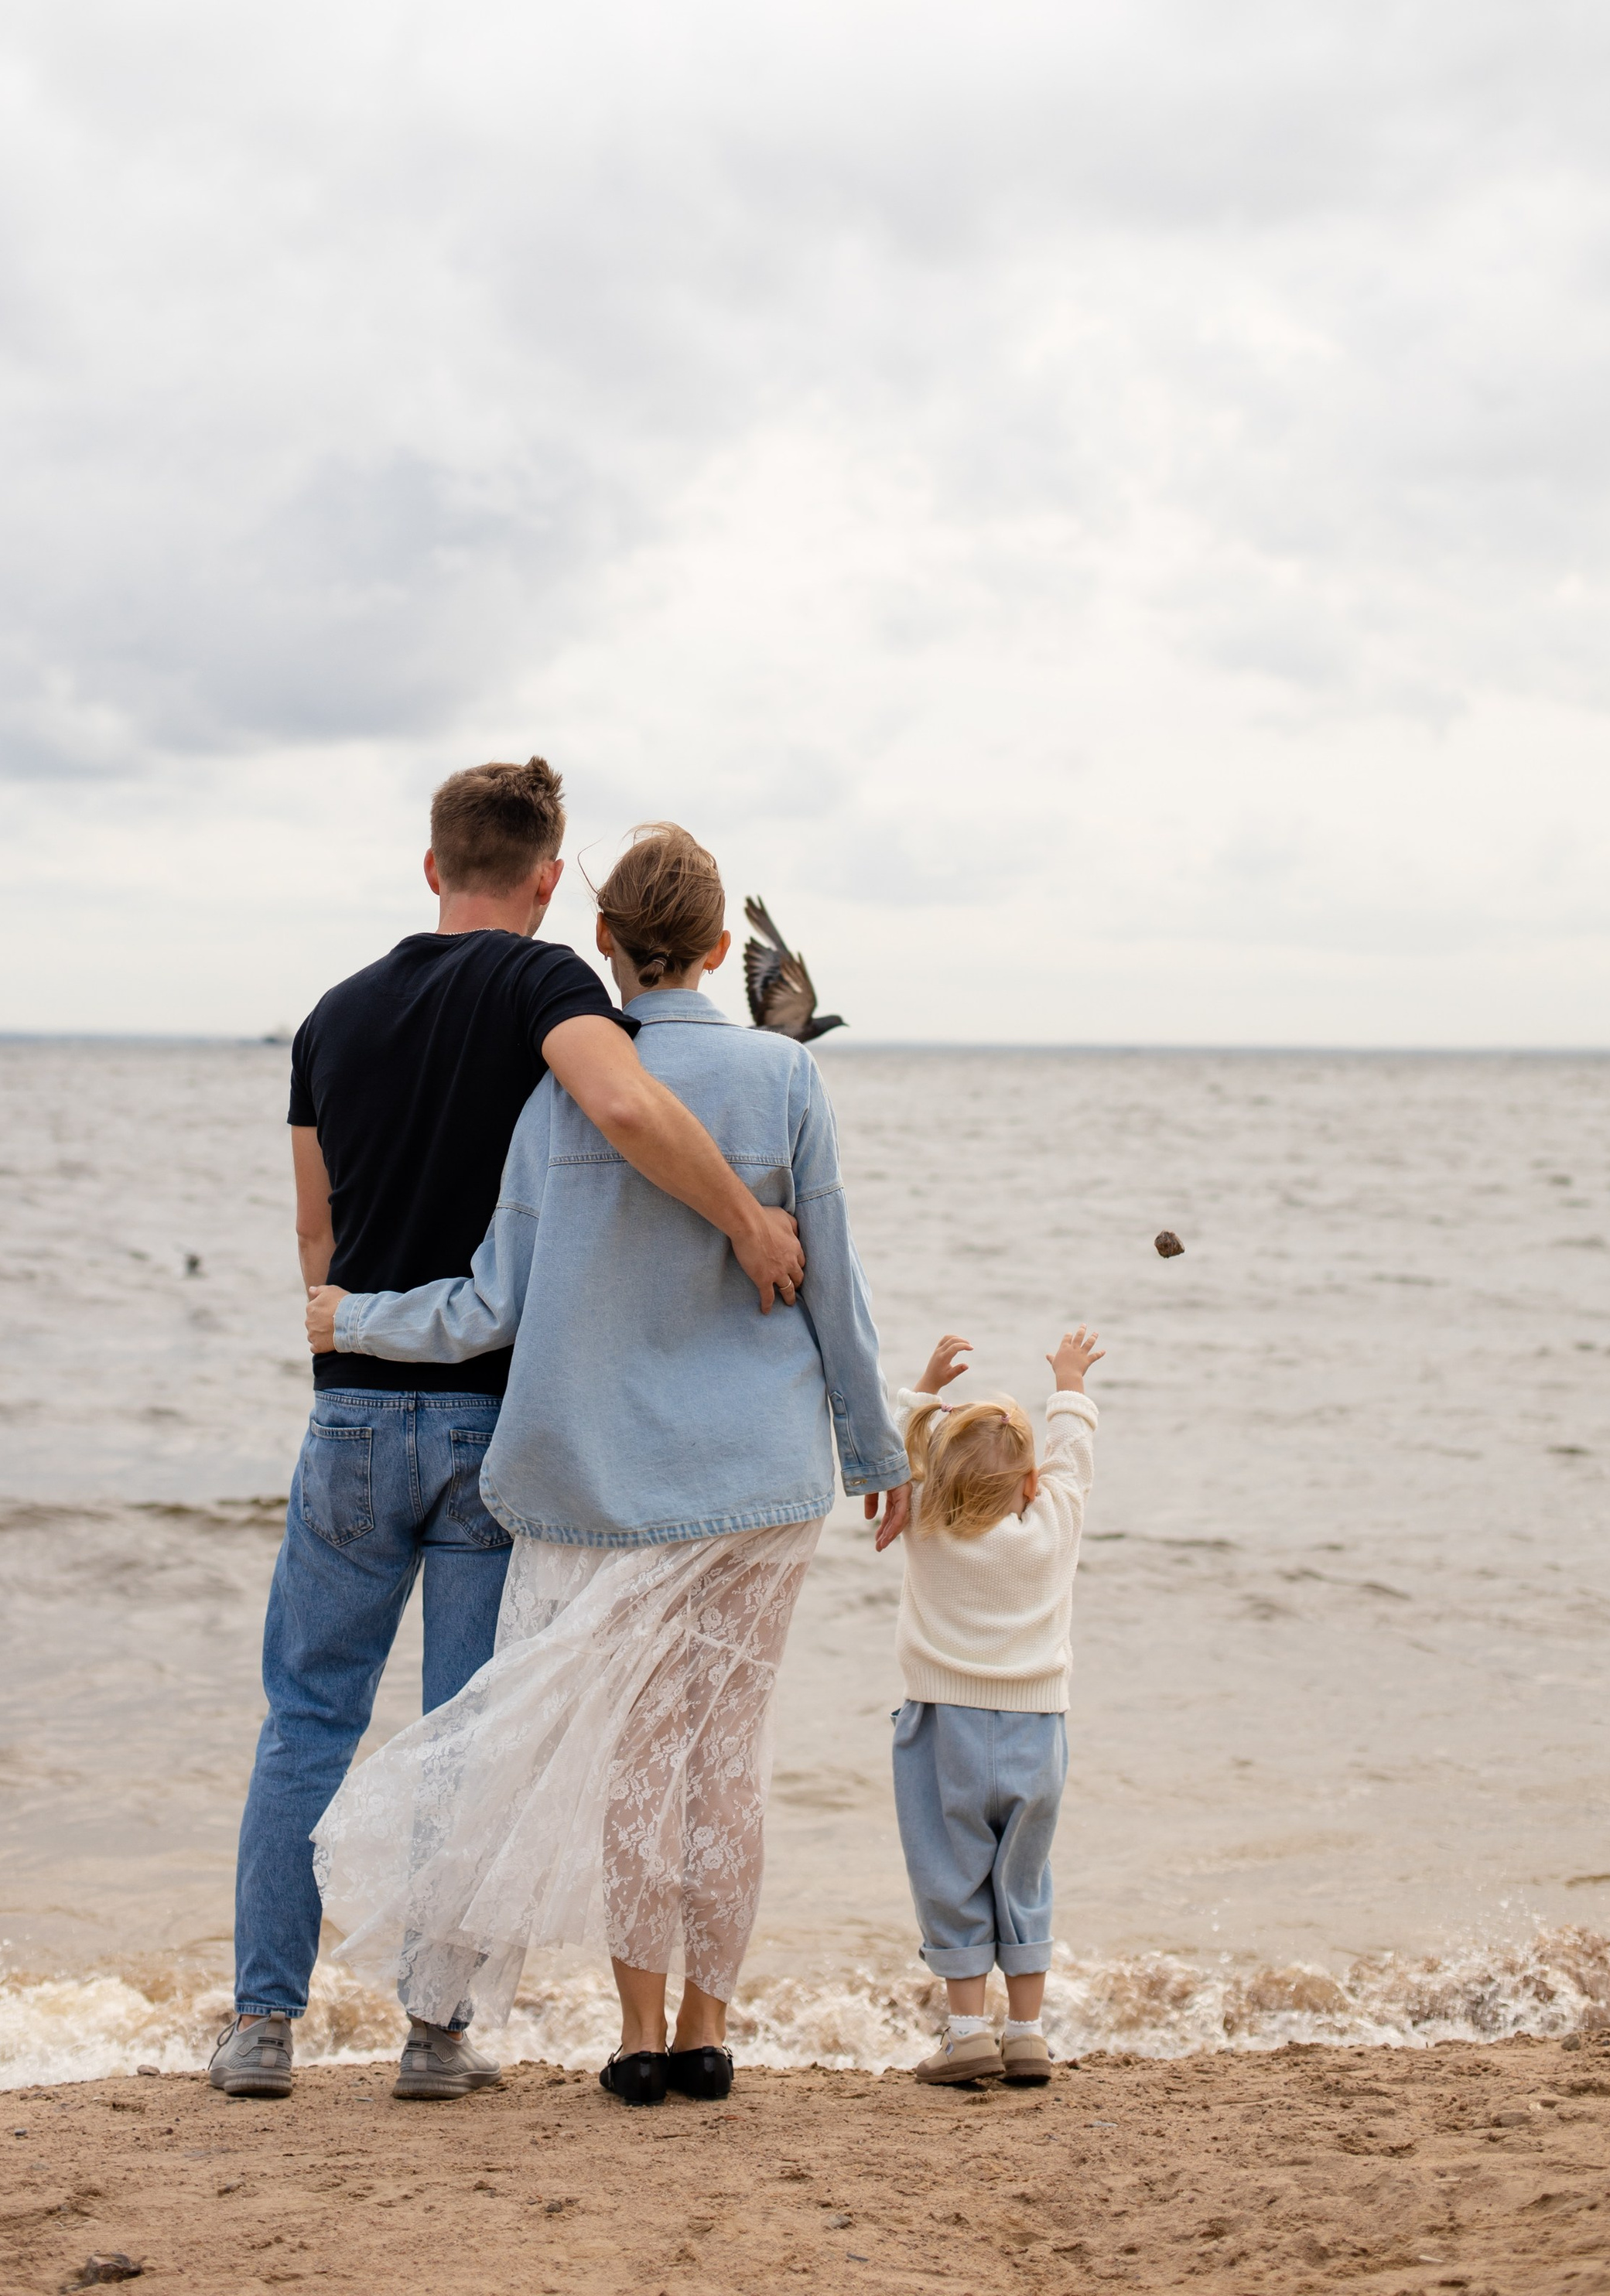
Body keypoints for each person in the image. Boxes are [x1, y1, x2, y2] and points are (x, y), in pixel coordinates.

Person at [213, 763, 806, 2103]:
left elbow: (317, 1241)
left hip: (352, 1412)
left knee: (305, 1718)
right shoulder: (547, 992)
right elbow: (630, 1108)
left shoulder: (328, 1019)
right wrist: (747, 1224)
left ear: (432, 868)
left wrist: (348, 1327)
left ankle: (261, 2026)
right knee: (466, 1731)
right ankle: (435, 2035)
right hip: (494, 1427)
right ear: (549, 882)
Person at [305, 822, 910, 2106]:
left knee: (643, 1761)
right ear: (716, 949)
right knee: (727, 1761)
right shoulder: (786, 1079)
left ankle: (638, 2045)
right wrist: (877, 1450)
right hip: (763, 1481)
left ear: (606, 946)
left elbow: (487, 1307)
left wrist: (354, 1318)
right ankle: (708, 2033)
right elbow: (835, 1283)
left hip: (618, 1489)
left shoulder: (560, 1093)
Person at [881, 1321, 1104, 2089]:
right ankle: (1029, 2034)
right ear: (1031, 1485)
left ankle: (967, 2032)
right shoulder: (1055, 1521)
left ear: (937, 1481)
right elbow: (1073, 1452)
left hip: (943, 1723)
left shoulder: (924, 1519)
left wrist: (927, 1385)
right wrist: (1068, 1382)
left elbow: (895, 1442)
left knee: (950, 1874)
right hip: (1038, 1729)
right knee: (1024, 1878)